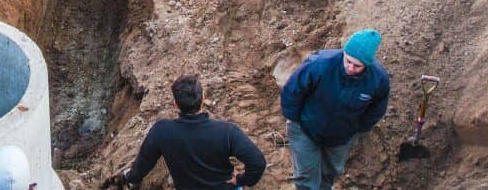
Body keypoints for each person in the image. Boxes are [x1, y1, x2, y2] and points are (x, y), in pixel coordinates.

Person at [102, 74, 267, 189]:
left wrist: (130, 178)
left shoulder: (162, 131)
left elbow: (143, 164)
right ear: (203, 99)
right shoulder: (227, 131)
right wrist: (240, 180)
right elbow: (258, 163)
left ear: (175, 104)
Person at [280, 29, 390, 190]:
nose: (351, 68)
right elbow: (293, 90)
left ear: (367, 64)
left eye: (357, 66)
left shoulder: (378, 80)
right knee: (306, 179)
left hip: (341, 137)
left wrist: (357, 129)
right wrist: (293, 119)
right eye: (348, 61)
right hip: (305, 129)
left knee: (329, 175)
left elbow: (377, 109)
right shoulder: (319, 64)